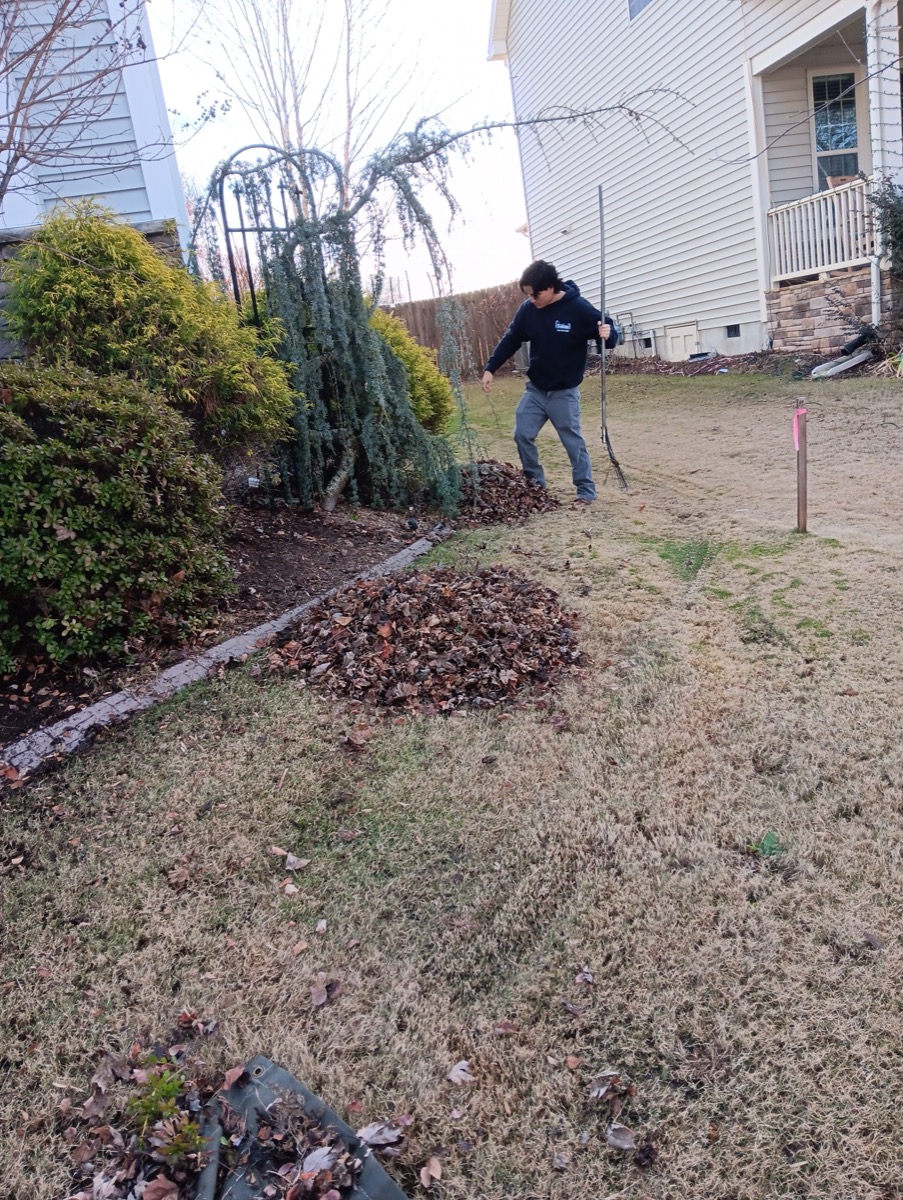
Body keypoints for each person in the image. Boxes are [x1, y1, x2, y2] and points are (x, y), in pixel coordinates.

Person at [481, 260, 618, 508]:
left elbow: (606, 329)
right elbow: (511, 338)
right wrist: (490, 367)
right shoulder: (528, 310)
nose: (532, 299)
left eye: (536, 294)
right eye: (528, 294)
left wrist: (609, 336)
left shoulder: (577, 308)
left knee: (571, 441)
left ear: (552, 287)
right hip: (536, 389)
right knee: (522, 434)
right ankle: (535, 485)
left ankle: (585, 490)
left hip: (564, 392)